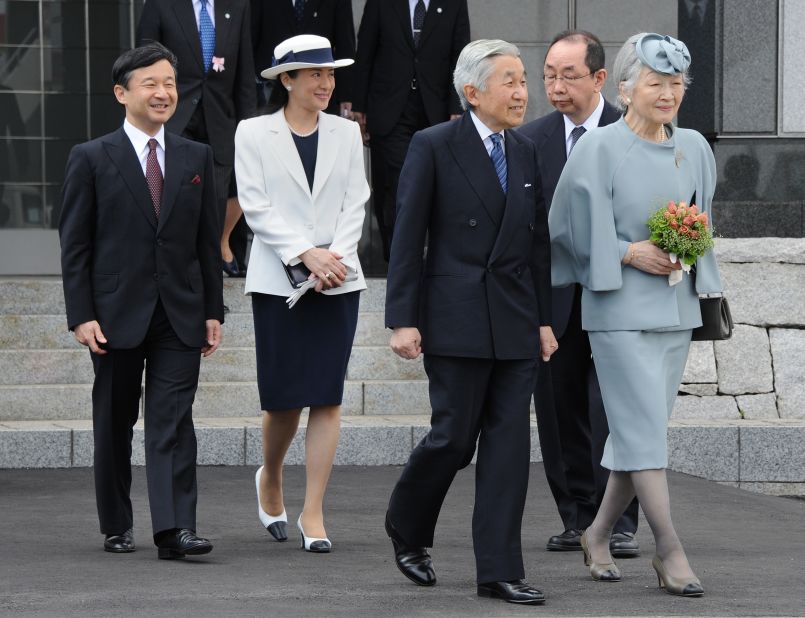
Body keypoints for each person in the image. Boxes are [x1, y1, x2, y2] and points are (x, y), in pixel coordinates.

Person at [384, 39, 558, 605]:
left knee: (508, 447)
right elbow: (408, 235)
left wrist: (544, 320)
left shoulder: (527, 150)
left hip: (514, 318)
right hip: (454, 315)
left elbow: (537, 244)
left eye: (522, 79)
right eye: (508, 80)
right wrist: (402, 319)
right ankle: (407, 525)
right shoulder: (433, 144)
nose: (520, 91)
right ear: (472, 91)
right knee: (453, 439)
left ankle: (499, 570)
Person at [548, 33, 722, 596]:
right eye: (656, 82)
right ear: (625, 88)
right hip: (617, 309)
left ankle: (596, 535)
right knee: (644, 433)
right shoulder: (598, 148)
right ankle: (669, 548)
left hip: (674, 309)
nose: (668, 92)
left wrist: (689, 246)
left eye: (676, 83)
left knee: (636, 434)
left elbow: (704, 218)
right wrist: (626, 250)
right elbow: (566, 228)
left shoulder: (694, 146)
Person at [59, 42, 224, 559]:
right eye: (150, 83)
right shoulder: (90, 157)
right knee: (114, 421)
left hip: (180, 312)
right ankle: (116, 522)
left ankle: (175, 530)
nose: (163, 92)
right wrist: (81, 314)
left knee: (173, 419)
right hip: (113, 315)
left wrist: (214, 311)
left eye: (170, 82)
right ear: (121, 92)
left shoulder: (196, 157)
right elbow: (75, 244)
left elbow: (205, 243)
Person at [234, 35, 369, 553]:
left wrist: (334, 256)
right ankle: (270, 475)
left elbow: (357, 200)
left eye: (330, 74)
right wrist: (304, 253)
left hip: (339, 278)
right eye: (314, 74)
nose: (326, 83)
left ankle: (313, 509)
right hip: (279, 280)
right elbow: (256, 204)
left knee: (328, 397)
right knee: (284, 400)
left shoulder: (345, 132)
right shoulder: (253, 132)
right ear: (286, 79)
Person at [518, 30, 640, 557]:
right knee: (559, 409)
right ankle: (576, 516)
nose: (556, 86)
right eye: (548, 74)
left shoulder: (634, 132)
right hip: (555, 302)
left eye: (569, 75)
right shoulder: (533, 139)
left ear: (598, 78)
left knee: (613, 410)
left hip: (620, 297)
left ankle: (622, 521)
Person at [137, 0, 256, 277]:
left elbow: (244, 73)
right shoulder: (160, 5)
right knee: (177, 203)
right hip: (173, 119)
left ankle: (209, 292)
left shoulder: (237, 7)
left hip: (220, 121)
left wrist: (249, 126)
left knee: (215, 203)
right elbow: (142, 65)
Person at [351, 0, 470, 262]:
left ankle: (430, 253)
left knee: (435, 181)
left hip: (435, 109)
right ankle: (398, 255)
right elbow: (366, 51)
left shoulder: (453, 4)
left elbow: (460, 56)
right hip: (390, 108)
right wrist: (358, 106)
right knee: (398, 179)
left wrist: (457, 105)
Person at [250, 0, 356, 115]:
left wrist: (346, 96)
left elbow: (345, 43)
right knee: (268, 129)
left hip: (320, 89)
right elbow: (249, 37)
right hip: (269, 84)